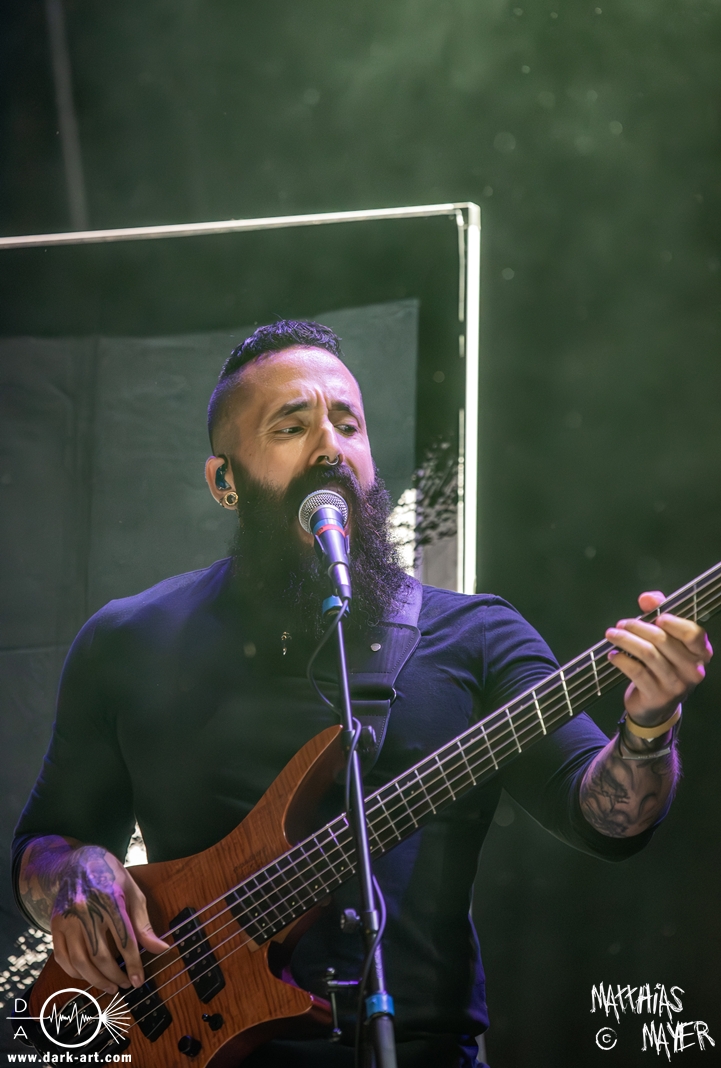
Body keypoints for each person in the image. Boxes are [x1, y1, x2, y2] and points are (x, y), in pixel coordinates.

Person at [12, 320, 712, 1068]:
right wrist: (70, 874)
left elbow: (607, 823)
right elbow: (39, 848)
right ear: (224, 482)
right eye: (291, 427)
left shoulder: (477, 635)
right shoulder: (129, 641)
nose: (329, 447)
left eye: (348, 425)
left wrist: (647, 727)